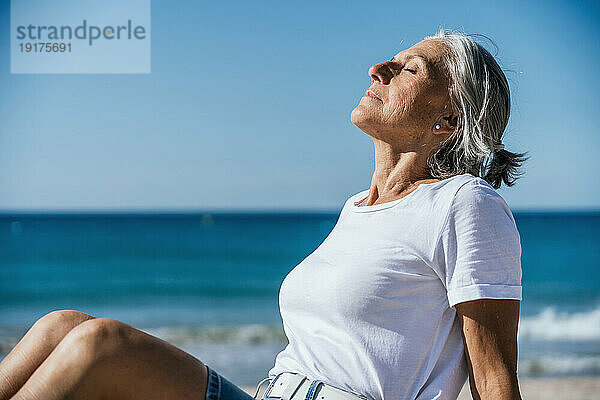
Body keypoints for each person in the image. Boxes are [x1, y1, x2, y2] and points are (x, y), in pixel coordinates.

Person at [0, 29, 527, 400]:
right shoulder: (358, 210)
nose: (378, 69)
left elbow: (493, 376)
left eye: (410, 68)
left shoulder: (465, 204)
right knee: (59, 326)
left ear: (448, 119)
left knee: (101, 345)